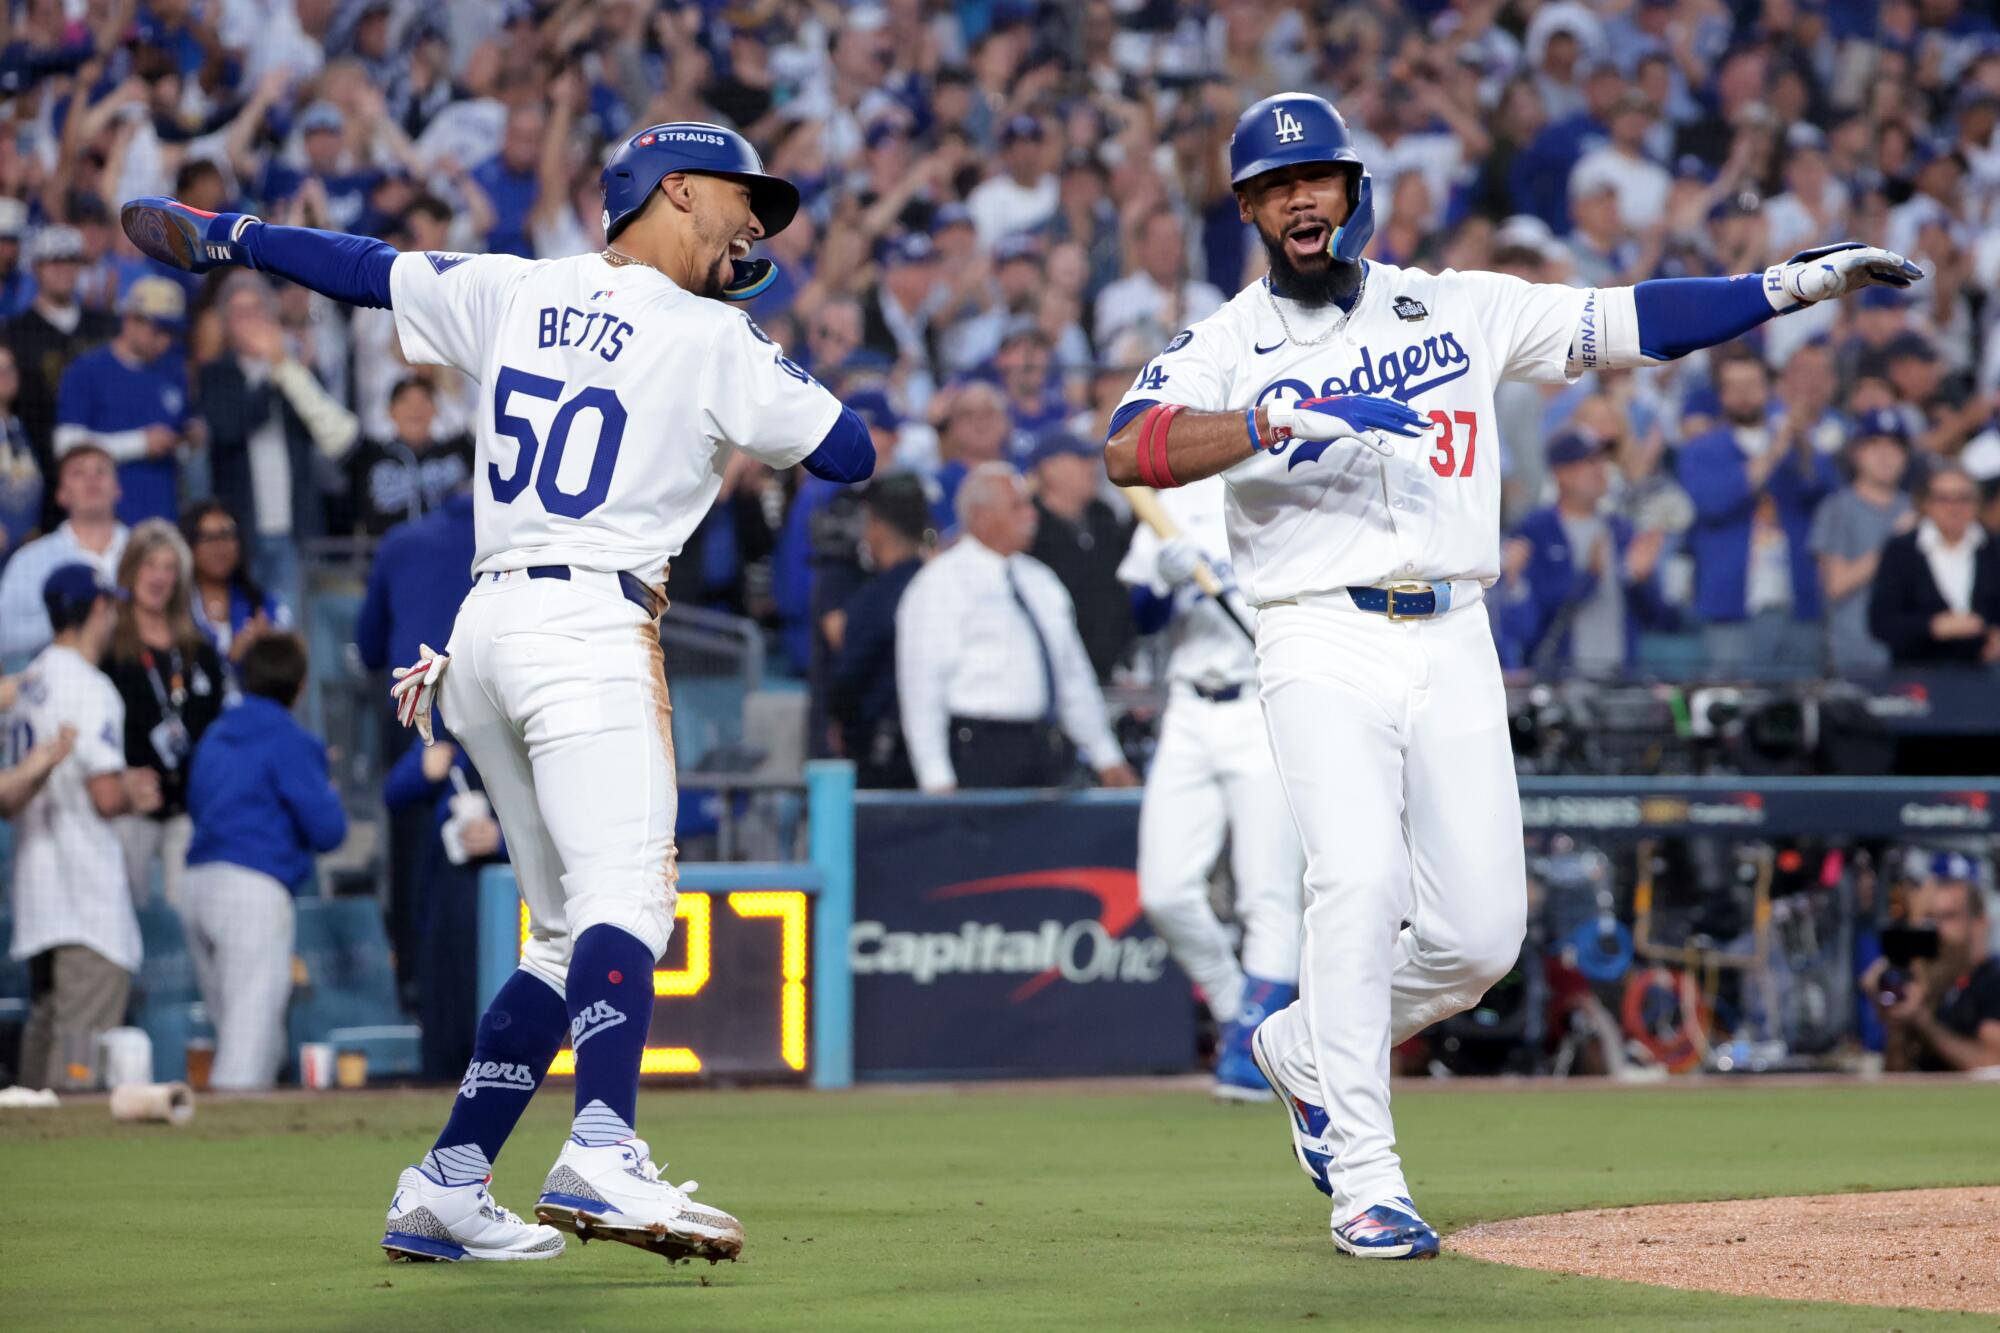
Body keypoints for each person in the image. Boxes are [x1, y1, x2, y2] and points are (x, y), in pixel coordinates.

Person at [1100, 91, 1921, 1259]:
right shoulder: (1233, 338)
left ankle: (1299, 1047)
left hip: (1451, 626)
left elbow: (1623, 320)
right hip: (1314, 631)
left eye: (1316, 178)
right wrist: (1269, 421)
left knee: (1478, 939)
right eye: (1273, 186)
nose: (1298, 198)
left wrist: (1777, 289)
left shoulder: (1457, 305)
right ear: (1246, 207)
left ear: (1351, 191)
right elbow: (1126, 442)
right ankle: (1365, 1179)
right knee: (1355, 879)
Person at [125, 115, 875, 1263]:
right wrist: (748, 325)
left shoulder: (517, 288)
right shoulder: (710, 333)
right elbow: (849, 451)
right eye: (741, 202)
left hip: (484, 629)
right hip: (589, 624)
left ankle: (448, 1182)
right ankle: (603, 1144)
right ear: (674, 190)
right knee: (629, 898)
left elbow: (364, 271)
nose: (755, 223)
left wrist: (234, 236)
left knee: (567, 937)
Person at [1117, 474, 1303, 1102]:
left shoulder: (1290, 485)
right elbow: (1142, 615)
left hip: (1265, 701)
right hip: (1191, 704)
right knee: (1164, 889)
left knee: (1268, 890)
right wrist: (1166, 582)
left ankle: (1258, 1044)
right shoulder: (1176, 502)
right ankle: (1237, 1013)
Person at [7, 564, 162, 1089]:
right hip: (85, 900)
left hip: (37, 893)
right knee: (78, 1067)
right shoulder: (91, 687)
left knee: (43, 1039)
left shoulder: (27, 682)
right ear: (98, 608)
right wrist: (133, 793)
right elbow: (103, 795)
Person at [895, 461, 1138, 793]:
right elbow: (922, 686)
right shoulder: (940, 584)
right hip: (977, 749)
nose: (1032, 514)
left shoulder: (1041, 581)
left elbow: (1073, 678)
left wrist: (1106, 756)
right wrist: (935, 775)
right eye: (1017, 506)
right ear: (980, 515)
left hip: (1044, 748)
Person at [181, 632, 345, 1090]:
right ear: (299, 684)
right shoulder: (290, 738)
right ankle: (226, 1147)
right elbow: (329, 831)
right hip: (251, 889)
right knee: (247, 1041)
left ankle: (255, 1131)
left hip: (196, 883)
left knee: (241, 1029)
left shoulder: (215, 731)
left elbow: (195, 803)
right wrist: (322, 786)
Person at [198, 276, 360, 612]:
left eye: (257, 310)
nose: (250, 322)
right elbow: (232, 427)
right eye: (240, 314)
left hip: (296, 524)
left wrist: (286, 369)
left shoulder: (295, 369)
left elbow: (323, 428)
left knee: (298, 627)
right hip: (242, 530)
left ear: (272, 316)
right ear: (226, 324)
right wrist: (276, 371)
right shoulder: (217, 374)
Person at [1676, 349, 1839, 675]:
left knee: (1798, 709)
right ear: (1721, 394)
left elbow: (1825, 491)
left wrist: (1801, 441)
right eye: (1733, 386)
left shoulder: (1795, 441)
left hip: (1798, 601)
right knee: (1733, 706)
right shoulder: (1701, 449)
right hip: (1731, 605)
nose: (1744, 395)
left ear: (1769, 389)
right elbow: (1714, 503)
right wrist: (1776, 449)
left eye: (1752, 384)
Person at [103, 520, 225, 906]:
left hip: (188, 807)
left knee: (188, 916)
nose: (158, 577)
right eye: (149, 565)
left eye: (168, 567)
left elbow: (215, 724)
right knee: (127, 912)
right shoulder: (108, 648)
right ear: (131, 570)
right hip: (129, 805)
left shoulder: (198, 650)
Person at [1500, 433, 1673, 675]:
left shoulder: (1620, 529)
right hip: (1560, 678)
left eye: (1602, 461)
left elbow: (1655, 617)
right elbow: (1532, 620)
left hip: (1620, 676)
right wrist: (1589, 578)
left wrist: (1641, 581)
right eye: (1589, 462)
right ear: (1562, 473)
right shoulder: (1536, 530)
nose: (1600, 469)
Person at [52, 278, 189, 526]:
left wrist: (188, 440)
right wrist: (140, 443)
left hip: (164, 514)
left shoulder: (173, 371)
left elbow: (180, 436)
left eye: (172, 332)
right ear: (130, 321)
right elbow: (66, 445)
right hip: (107, 518)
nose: (165, 341)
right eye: (158, 330)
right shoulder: (87, 370)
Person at [6, 225, 116, 527]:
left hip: (106, 460)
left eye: (70, 261)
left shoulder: (104, 326)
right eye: (54, 261)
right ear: (37, 268)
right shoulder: (14, 332)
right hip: (41, 466)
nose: (63, 270)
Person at [828, 476, 934, 788]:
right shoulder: (942, 585)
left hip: (885, 752)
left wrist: (838, 719)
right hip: (946, 746)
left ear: (878, 527)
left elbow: (851, 678)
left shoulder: (876, 598)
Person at [1864, 855, 2000, 1072]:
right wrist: (1896, 1023)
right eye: (1930, 919)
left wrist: (1923, 1021)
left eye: (1948, 917)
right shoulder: (1929, 982)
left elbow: (1993, 1064)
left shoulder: (1992, 979)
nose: (1936, 930)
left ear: (1978, 924)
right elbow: (1897, 1076)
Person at [1810, 410, 1915, 677]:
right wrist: (1894, 546)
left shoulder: (1915, 508)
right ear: (1856, 453)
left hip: (1909, 653)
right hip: (1854, 652)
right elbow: (1834, 585)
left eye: (1894, 446)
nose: (1885, 455)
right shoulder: (1838, 508)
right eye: (1874, 445)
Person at [0, 446, 128, 663]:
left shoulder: (145, 550)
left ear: (117, 489)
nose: (91, 479)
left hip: (142, 684)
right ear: (61, 494)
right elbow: (4, 637)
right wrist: (75, 621)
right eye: (78, 473)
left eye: (100, 471)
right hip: (61, 687)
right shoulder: (30, 559)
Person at [1025, 429, 1135, 682]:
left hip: (1112, 668)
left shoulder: (1104, 517)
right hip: (1052, 668)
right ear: (1049, 469)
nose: (1092, 466)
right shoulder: (1030, 528)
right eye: (1080, 458)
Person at [1867, 465, 2000, 667]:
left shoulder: (1993, 549)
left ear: (1977, 503)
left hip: (1985, 679)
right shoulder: (1902, 550)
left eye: (1963, 498)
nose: (1953, 507)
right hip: (1917, 677)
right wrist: (1932, 627)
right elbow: (1881, 622)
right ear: (1926, 504)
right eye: (1943, 498)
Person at [346, 376, 473, 538]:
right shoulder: (369, 456)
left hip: (448, 558)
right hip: (389, 558)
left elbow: (491, 417)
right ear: (390, 411)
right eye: (405, 401)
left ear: (435, 409)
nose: (415, 408)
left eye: (423, 400)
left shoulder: (459, 450)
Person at [179, 500, 288, 670]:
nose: (219, 547)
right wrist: (232, 659)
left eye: (227, 536)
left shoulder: (263, 605)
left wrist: (266, 651)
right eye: (208, 538)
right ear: (188, 546)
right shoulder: (175, 608)